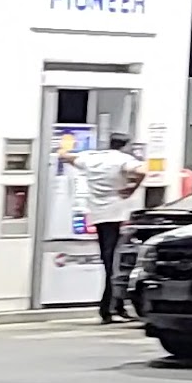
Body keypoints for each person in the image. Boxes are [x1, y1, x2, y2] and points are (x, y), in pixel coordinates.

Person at [68, 133, 147, 322]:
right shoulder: (122, 159)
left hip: (98, 216)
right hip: (117, 215)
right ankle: (110, 308)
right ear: (124, 145)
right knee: (116, 264)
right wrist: (132, 187)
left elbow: (66, 156)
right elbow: (143, 170)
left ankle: (113, 307)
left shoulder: (92, 158)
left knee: (109, 262)